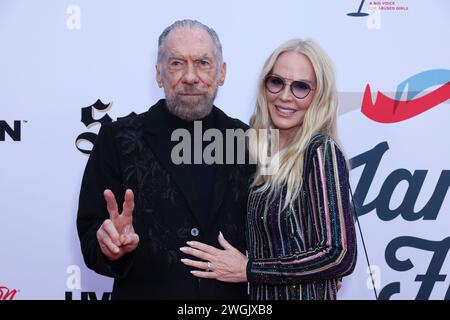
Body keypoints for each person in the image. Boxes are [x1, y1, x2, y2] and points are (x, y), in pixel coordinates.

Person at [76, 19, 253, 300]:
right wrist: (112, 247)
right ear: (159, 74)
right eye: (176, 63)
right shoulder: (118, 139)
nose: (190, 76)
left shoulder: (248, 141)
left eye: (203, 63)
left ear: (222, 73)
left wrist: (270, 270)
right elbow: (91, 237)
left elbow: (275, 234)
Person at [180, 38, 357, 300]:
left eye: (301, 87)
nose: (285, 96)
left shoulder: (320, 150)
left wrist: (250, 269)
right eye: (277, 82)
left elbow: (339, 254)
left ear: (319, 95)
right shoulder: (261, 149)